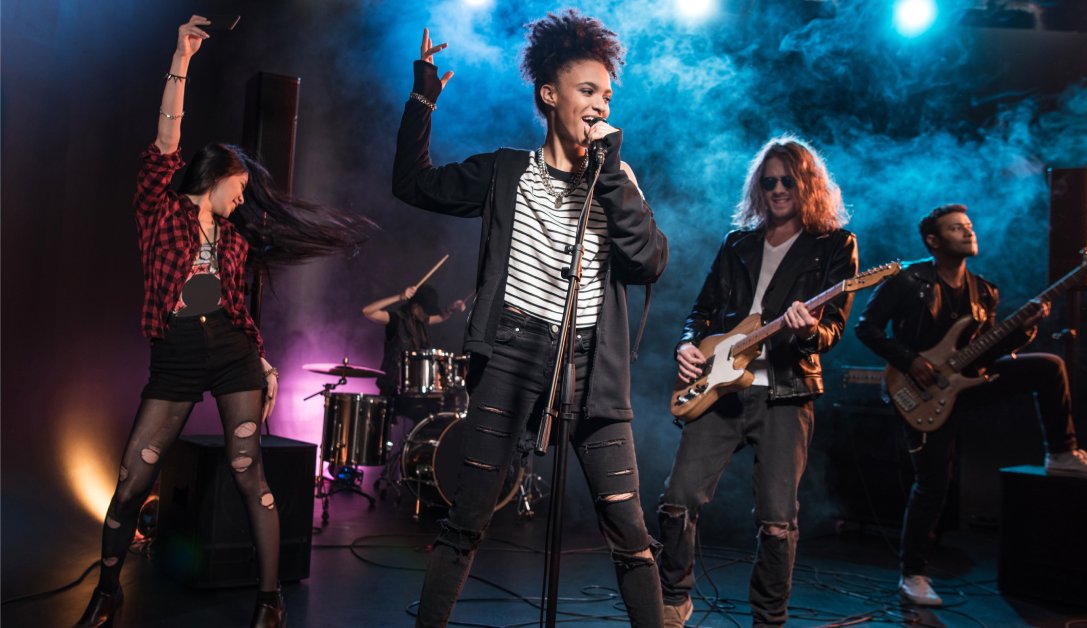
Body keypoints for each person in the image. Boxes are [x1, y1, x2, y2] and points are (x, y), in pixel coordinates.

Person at [75, 16, 372, 628]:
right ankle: (108, 591)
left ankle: (270, 601)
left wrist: (262, 363)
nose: (242, 198)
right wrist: (180, 59)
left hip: (231, 352)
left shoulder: (234, 243)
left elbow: (237, 311)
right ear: (212, 177)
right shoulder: (159, 208)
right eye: (238, 186)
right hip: (177, 355)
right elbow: (167, 133)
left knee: (247, 469)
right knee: (133, 477)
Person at [391, 10, 669, 626]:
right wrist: (422, 95)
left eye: (607, 95)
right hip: (513, 352)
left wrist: (615, 178)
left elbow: (649, 261)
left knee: (628, 527)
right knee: (467, 517)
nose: (600, 105)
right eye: (587, 90)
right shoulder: (505, 173)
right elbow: (412, 184)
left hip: (592, 363)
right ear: (550, 94)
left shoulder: (619, 178)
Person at [854, 203, 1087, 607]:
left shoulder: (985, 291)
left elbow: (984, 354)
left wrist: (1025, 331)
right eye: (956, 228)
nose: (967, 232)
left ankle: (1062, 453)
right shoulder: (908, 280)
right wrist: (910, 360)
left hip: (966, 383)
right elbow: (865, 327)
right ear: (933, 240)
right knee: (932, 483)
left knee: (1048, 366)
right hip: (918, 390)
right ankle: (913, 575)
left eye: (969, 226)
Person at [658, 136, 858, 627]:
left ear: (808, 184)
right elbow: (701, 312)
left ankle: (768, 619)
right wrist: (687, 345)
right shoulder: (737, 243)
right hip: (720, 388)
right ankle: (671, 598)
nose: (777, 189)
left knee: (775, 519)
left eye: (788, 180)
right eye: (768, 181)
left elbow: (832, 329)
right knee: (677, 498)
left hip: (785, 393)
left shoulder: (834, 245)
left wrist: (809, 331)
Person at [362, 284, 466, 411]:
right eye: (426, 311)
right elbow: (367, 311)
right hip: (393, 388)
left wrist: (452, 308)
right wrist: (399, 296)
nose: (428, 315)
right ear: (416, 307)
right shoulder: (395, 319)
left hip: (414, 389)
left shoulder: (421, 321)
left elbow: (441, 317)